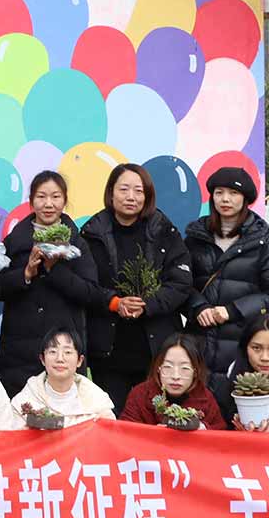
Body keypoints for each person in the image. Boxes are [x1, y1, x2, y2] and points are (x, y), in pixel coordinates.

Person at [80, 163, 192, 412]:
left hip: (157, 349)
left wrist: (148, 305)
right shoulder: (92, 233)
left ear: (147, 196)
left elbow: (181, 282)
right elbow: (84, 286)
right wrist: (114, 302)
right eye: (124, 189)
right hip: (108, 351)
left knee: (158, 419)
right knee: (114, 418)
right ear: (111, 193)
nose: (131, 197)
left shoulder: (164, 230)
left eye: (139, 191)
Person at [0, 170, 100, 396]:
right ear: (31, 201)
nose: (48, 204)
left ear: (65, 200)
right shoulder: (14, 241)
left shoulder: (77, 243)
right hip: (19, 352)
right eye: (41, 197)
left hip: (63, 350)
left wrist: (54, 270)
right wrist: (26, 273)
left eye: (55, 197)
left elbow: (90, 293)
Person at [184, 166, 269, 376]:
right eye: (219, 193)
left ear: (245, 199)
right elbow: (178, 284)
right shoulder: (194, 238)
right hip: (198, 345)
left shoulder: (264, 242)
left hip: (243, 346)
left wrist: (233, 310)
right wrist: (198, 307)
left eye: (233, 193)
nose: (225, 199)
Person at [9, 328, 116, 426]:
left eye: (67, 352)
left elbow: (109, 435)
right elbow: (14, 435)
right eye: (53, 352)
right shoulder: (27, 398)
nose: (60, 359)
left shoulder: (96, 400)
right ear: (42, 359)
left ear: (80, 360)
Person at [119, 334, 228, 429]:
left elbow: (219, 435)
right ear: (158, 368)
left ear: (195, 371)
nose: (175, 376)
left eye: (184, 368)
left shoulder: (206, 398)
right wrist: (153, 434)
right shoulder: (140, 395)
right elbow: (126, 432)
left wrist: (202, 429)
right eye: (168, 367)